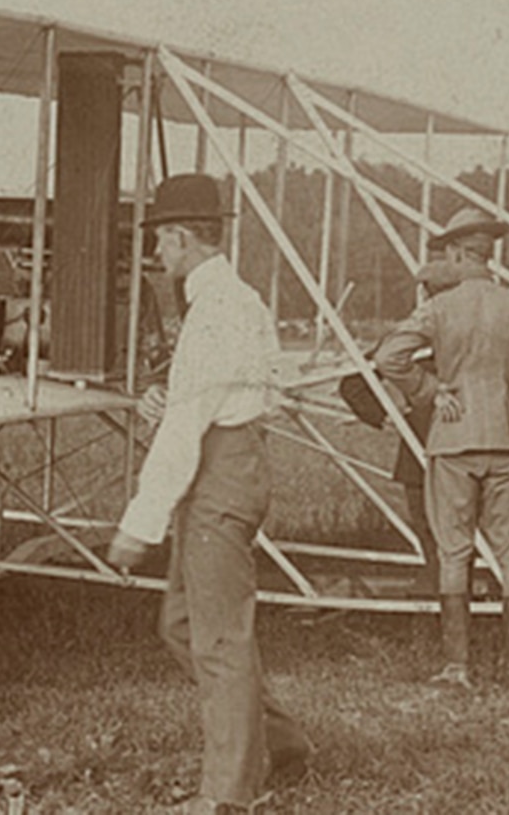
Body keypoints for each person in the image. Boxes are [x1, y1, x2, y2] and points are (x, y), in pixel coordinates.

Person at [106, 174, 310, 814]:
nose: (157, 256)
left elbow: (184, 433)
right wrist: (185, 399)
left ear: (182, 237)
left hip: (219, 473)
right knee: (184, 623)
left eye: (161, 242)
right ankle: (280, 742)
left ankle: (226, 795)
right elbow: (263, 385)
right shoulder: (236, 298)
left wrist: (138, 526)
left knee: (217, 639)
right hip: (234, 460)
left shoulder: (214, 309)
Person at [374, 207, 509, 698]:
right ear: (487, 255)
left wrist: (428, 389)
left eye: (446, 254)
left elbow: (388, 356)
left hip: (453, 438)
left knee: (453, 552)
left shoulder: (439, 308)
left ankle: (457, 668)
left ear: (458, 254)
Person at [338, 259, 468, 598]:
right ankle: (446, 599)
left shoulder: (417, 333)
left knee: (443, 529)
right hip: (435, 446)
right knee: (444, 528)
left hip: (443, 447)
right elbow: (354, 382)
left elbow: (353, 382)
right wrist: (388, 416)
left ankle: (449, 596)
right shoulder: (416, 337)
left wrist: (391, 415)